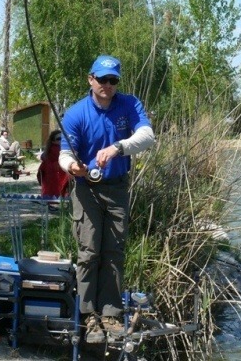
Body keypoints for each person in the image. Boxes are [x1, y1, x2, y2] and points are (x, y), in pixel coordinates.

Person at [58, 55, 155, 343]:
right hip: (86, 188)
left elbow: (147, 136)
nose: (108, 85)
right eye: (102, 79)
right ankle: (89, 316)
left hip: (117, 187)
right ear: (91, 79)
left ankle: (110, 313)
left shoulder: (130, 104)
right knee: (89, 252)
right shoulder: (76, 114)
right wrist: (72, 167)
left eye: (113, 80)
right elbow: (64, 154)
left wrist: (118, 147)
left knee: (114, 251)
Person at [37, 130, 70, 198]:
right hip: (62, 194)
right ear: (53, 141)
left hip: (48, 195)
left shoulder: (47, 155)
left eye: (63, 138)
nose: (61, 140)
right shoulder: (64, 154)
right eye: (58, 139)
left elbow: (39, 174)